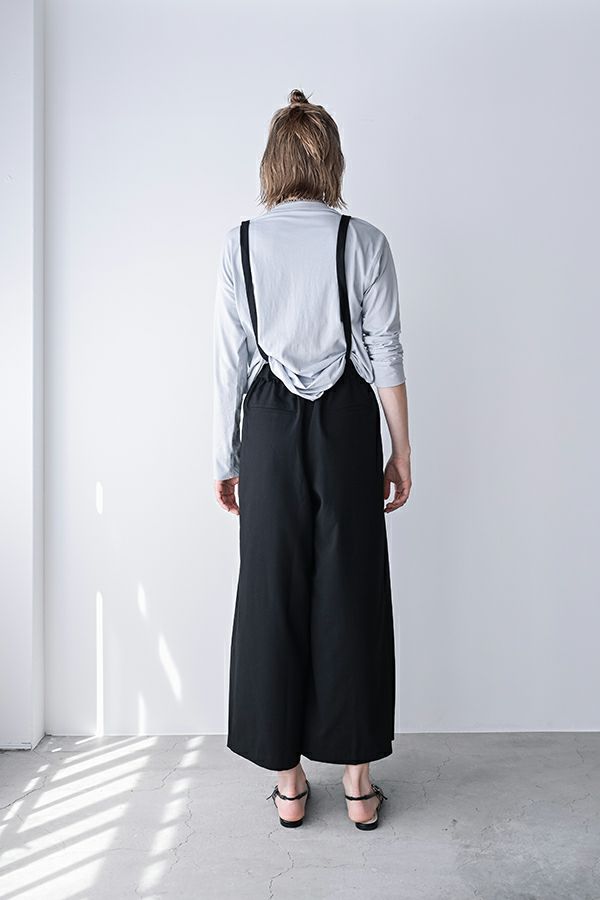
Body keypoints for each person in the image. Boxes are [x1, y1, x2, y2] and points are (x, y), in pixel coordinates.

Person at [212, 88, 412, 830]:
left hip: (267, 426)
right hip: (348, 423)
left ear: (272, 163)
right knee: (351, 589)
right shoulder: (365, 241)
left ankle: (289, 784)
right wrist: (400, 448)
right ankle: (358, 785)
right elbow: (385, 350)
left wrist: (224, 456)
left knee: (271, 590)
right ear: (331, 161)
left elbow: (229, 361)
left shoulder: (240, 243)